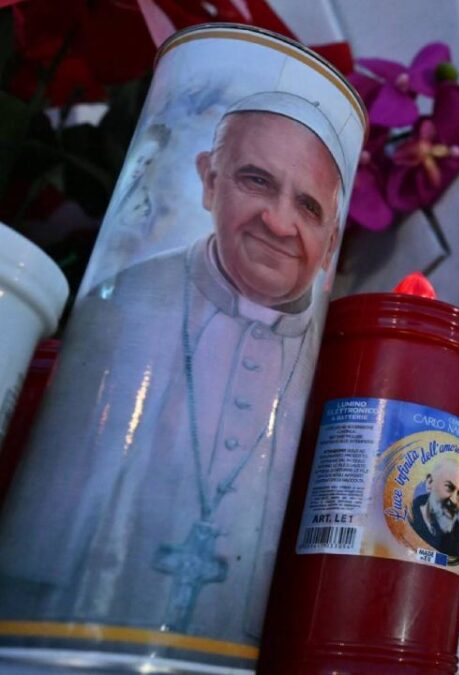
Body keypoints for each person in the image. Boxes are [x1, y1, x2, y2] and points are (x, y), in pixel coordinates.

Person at [0, 91, 352, 645]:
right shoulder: (126, 300)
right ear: (210, 180)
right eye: (256, 180)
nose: (280, 223)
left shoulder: (334, 370)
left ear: (331, 241)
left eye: (309, 207)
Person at [409, 459, 459, 565]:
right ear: (430, 482)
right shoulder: (407, 516)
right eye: (449, 487)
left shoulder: (454, 528)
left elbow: (452, 565)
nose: (454, 501)